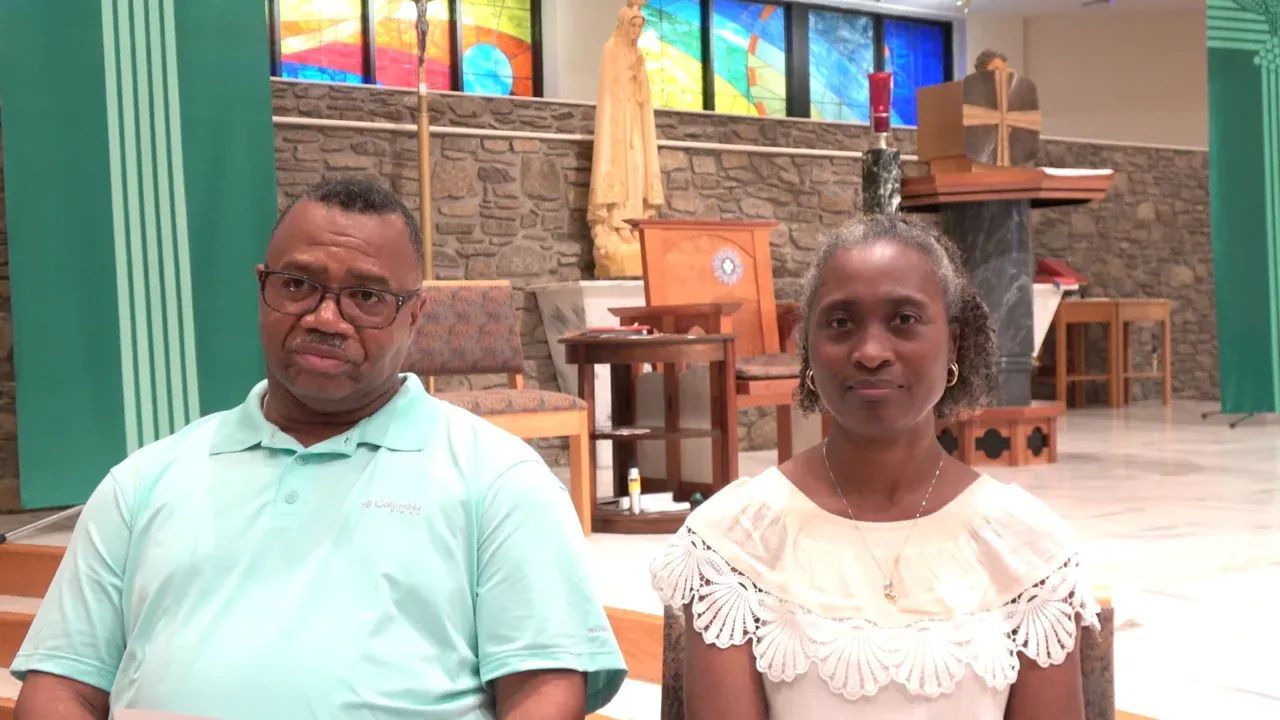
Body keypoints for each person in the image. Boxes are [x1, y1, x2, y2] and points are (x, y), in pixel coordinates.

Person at [12, 178, 627, 719]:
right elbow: (62, 686)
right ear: (262, 287)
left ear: (416, 315)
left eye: (367, 297)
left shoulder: (498, 479)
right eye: (298, 285)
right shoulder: (144, 481)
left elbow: (543, 691)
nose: (326, 318)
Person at [651, 215, 1099, 719]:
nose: (870, 352)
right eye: (841, 323)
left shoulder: (1026, 548)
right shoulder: (735, 542)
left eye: (904, 319)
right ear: (808, 347)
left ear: (952, 344)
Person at [587, 0, 665, 279]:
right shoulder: (611, 49)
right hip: (617, 124)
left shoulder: (637, 52)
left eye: (640, 27)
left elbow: (644, 95)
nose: (636, 32)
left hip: (635, 120)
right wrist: (629, 74)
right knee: (621, 170)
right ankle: (617, 222)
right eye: (633, 25)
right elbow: (610, 88)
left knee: (638, 169)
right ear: (623, 24)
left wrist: (639, 77)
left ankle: (635, 223)